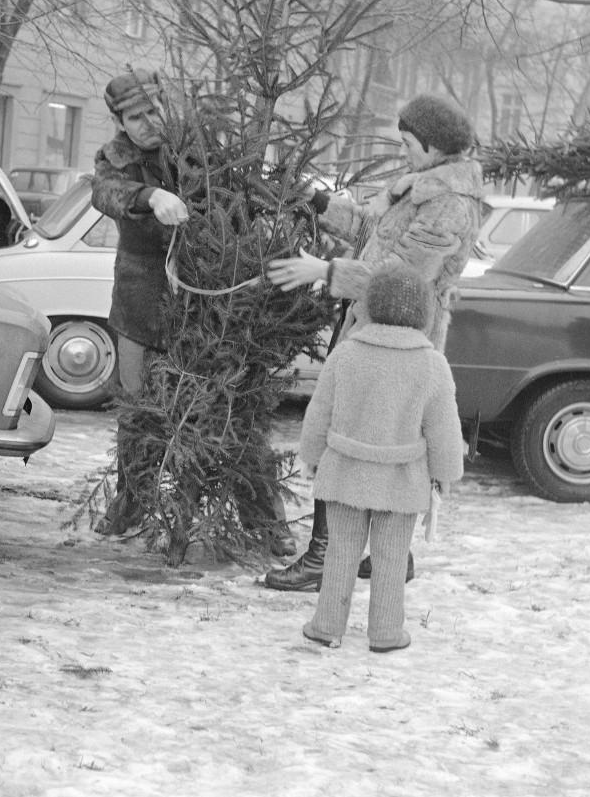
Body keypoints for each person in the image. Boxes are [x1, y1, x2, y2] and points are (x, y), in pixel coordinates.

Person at [263, 93, 483, 592]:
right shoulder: (420, 187)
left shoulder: (450, 203)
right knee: (381, 436)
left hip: (400, 334)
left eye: (408, 143)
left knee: (354, 435)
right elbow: (371, 227)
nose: (403, 152)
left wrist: (326, 270)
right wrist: (318, 203)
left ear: (432, 146)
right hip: (373, 323)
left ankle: (324, 557)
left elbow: (404, 275)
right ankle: (393, 556)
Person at [89, 67, 292, 553]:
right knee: (136, 409)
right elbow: (103, 192)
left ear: (167, 104)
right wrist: (150, 195)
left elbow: (239, 190)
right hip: (139, 299)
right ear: (119, 120)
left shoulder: (196, 149)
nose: (145, 123)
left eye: (151, 111)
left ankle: (266, 519)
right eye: (133, 117)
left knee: (229, 407)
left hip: (205, 301)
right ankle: (130, 502)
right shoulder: (115, 157)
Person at [295, 266, 465, 652]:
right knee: (390, 559)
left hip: (345, 473)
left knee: (340, 552)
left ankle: (326, 626)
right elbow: (443, 427)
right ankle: (386, 633)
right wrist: (445, 473)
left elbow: (319, 411)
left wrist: (311, 454)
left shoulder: (346, 354)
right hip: (402, 480)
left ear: (371, 305)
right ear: (423, 313)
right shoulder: (431, 363)